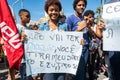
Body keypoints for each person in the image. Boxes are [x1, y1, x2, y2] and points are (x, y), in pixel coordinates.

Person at [39, 0, 68, 80]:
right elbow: (37, 45)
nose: (54, 12)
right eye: (51, 10)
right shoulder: (42, 26)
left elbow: (69, 44)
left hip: (61, 65)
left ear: (59, 11)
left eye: (56, 10)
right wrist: (25, 38)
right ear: (47, 11)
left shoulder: (65, 26)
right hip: (47, 65)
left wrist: (78, 42)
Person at [65, 0, 88, 80]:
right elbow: (67, 36)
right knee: (73, 73)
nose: (82, 7)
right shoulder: (70, 18)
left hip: (85, 48)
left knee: (82, 72)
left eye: (83, 5)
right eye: (79, 5)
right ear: (75, 6)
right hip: (75, 49)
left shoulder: (85, 19)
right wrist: (78, 29)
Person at [16, 9, 31, 80]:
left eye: (29, 16)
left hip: (29, 58)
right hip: (22, 59)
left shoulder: (29, 28)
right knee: (24, 77)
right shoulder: (16, 27)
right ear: (21, 16)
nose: (29, 18)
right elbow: (14, 43)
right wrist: (21, 39)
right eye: (27, 16)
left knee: (29, 76)